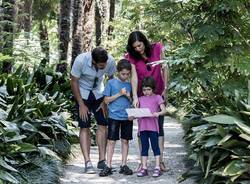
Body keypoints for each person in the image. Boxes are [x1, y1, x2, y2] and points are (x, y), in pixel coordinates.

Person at [125, 31, 169, 171]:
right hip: (142, 96)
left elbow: (165, 67)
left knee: (159, 128)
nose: (138, 49)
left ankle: (160, 161)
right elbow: (134, 77)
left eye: (140, 45)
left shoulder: (157, 48)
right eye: (135, 47)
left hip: (158, 93)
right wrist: (135, 96)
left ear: (144, 41)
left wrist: (166, 89)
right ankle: (142, 162)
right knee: (142, 129)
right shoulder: (131, 57)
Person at [70, 47, 116, 174]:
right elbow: (74, 81)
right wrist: (81, 104)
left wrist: (105, 100)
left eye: (105, 64)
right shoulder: (81, 60)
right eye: (101, 66)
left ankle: (102, 161)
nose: (104, 66)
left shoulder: (110, 61)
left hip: (99, 92)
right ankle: (87, 161)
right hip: (82, 92)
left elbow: (111, 79)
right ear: (93, 62)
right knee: (85, 126)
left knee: (103, 124)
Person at [99, 59, 133, 177]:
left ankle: (123, 165)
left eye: (128, 74)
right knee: (111, 141)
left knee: (125, 141)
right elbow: (106, 100)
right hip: (114, 116)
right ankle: (108, 165)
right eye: (123, 74)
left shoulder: (130, 84)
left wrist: (129, 97)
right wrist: (119, 93)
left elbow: (134, 102)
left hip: (127, 117)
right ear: (118, 72)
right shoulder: (111, 83)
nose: (126, 76)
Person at [132, 76, 167, 177]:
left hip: (153, 128)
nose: (146, 92)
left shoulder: (158, 97)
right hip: (142, 128)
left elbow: (164, 110)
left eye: (148, 89)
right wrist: (132, 116)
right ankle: (144, 168)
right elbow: (136, 112)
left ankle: (157, 167)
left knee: (155, 147)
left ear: (153, 89)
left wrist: (158, 113)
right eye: (144, 90)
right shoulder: (139, 99)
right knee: (144, 148)